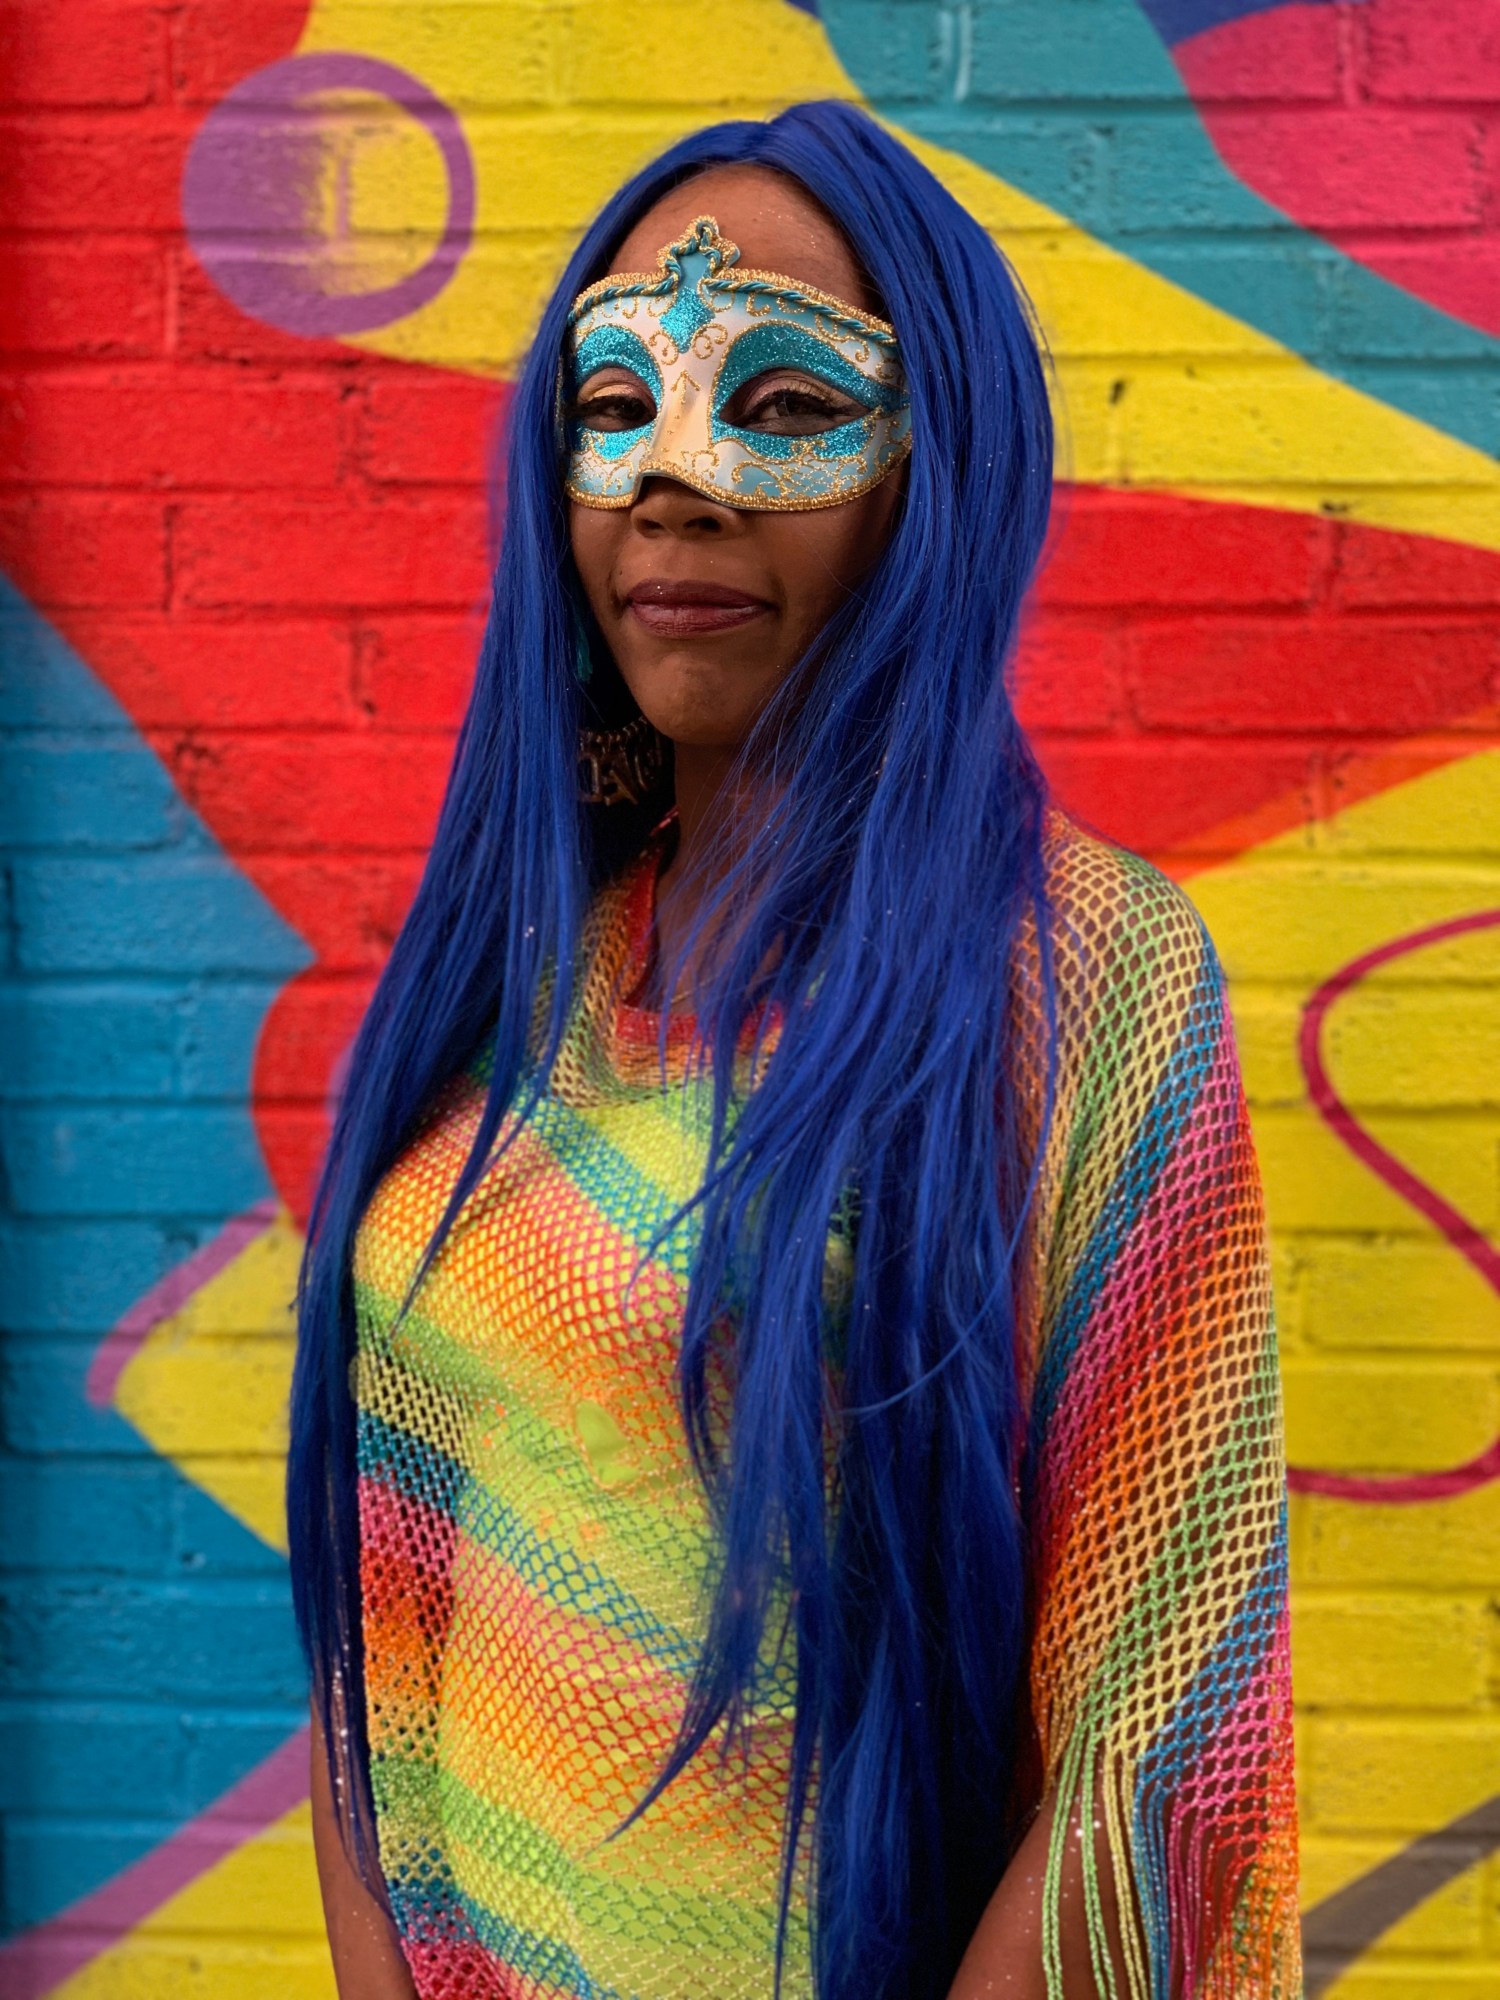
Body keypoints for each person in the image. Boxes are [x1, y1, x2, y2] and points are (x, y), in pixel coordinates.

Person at [287, 100, 1301, 2000]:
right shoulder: (517, 978)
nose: (674, 479)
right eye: (615, 404)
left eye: (778, 403)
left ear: (937, 471)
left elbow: (1153, 1762)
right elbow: (379, 1613)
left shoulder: (1081, 977)